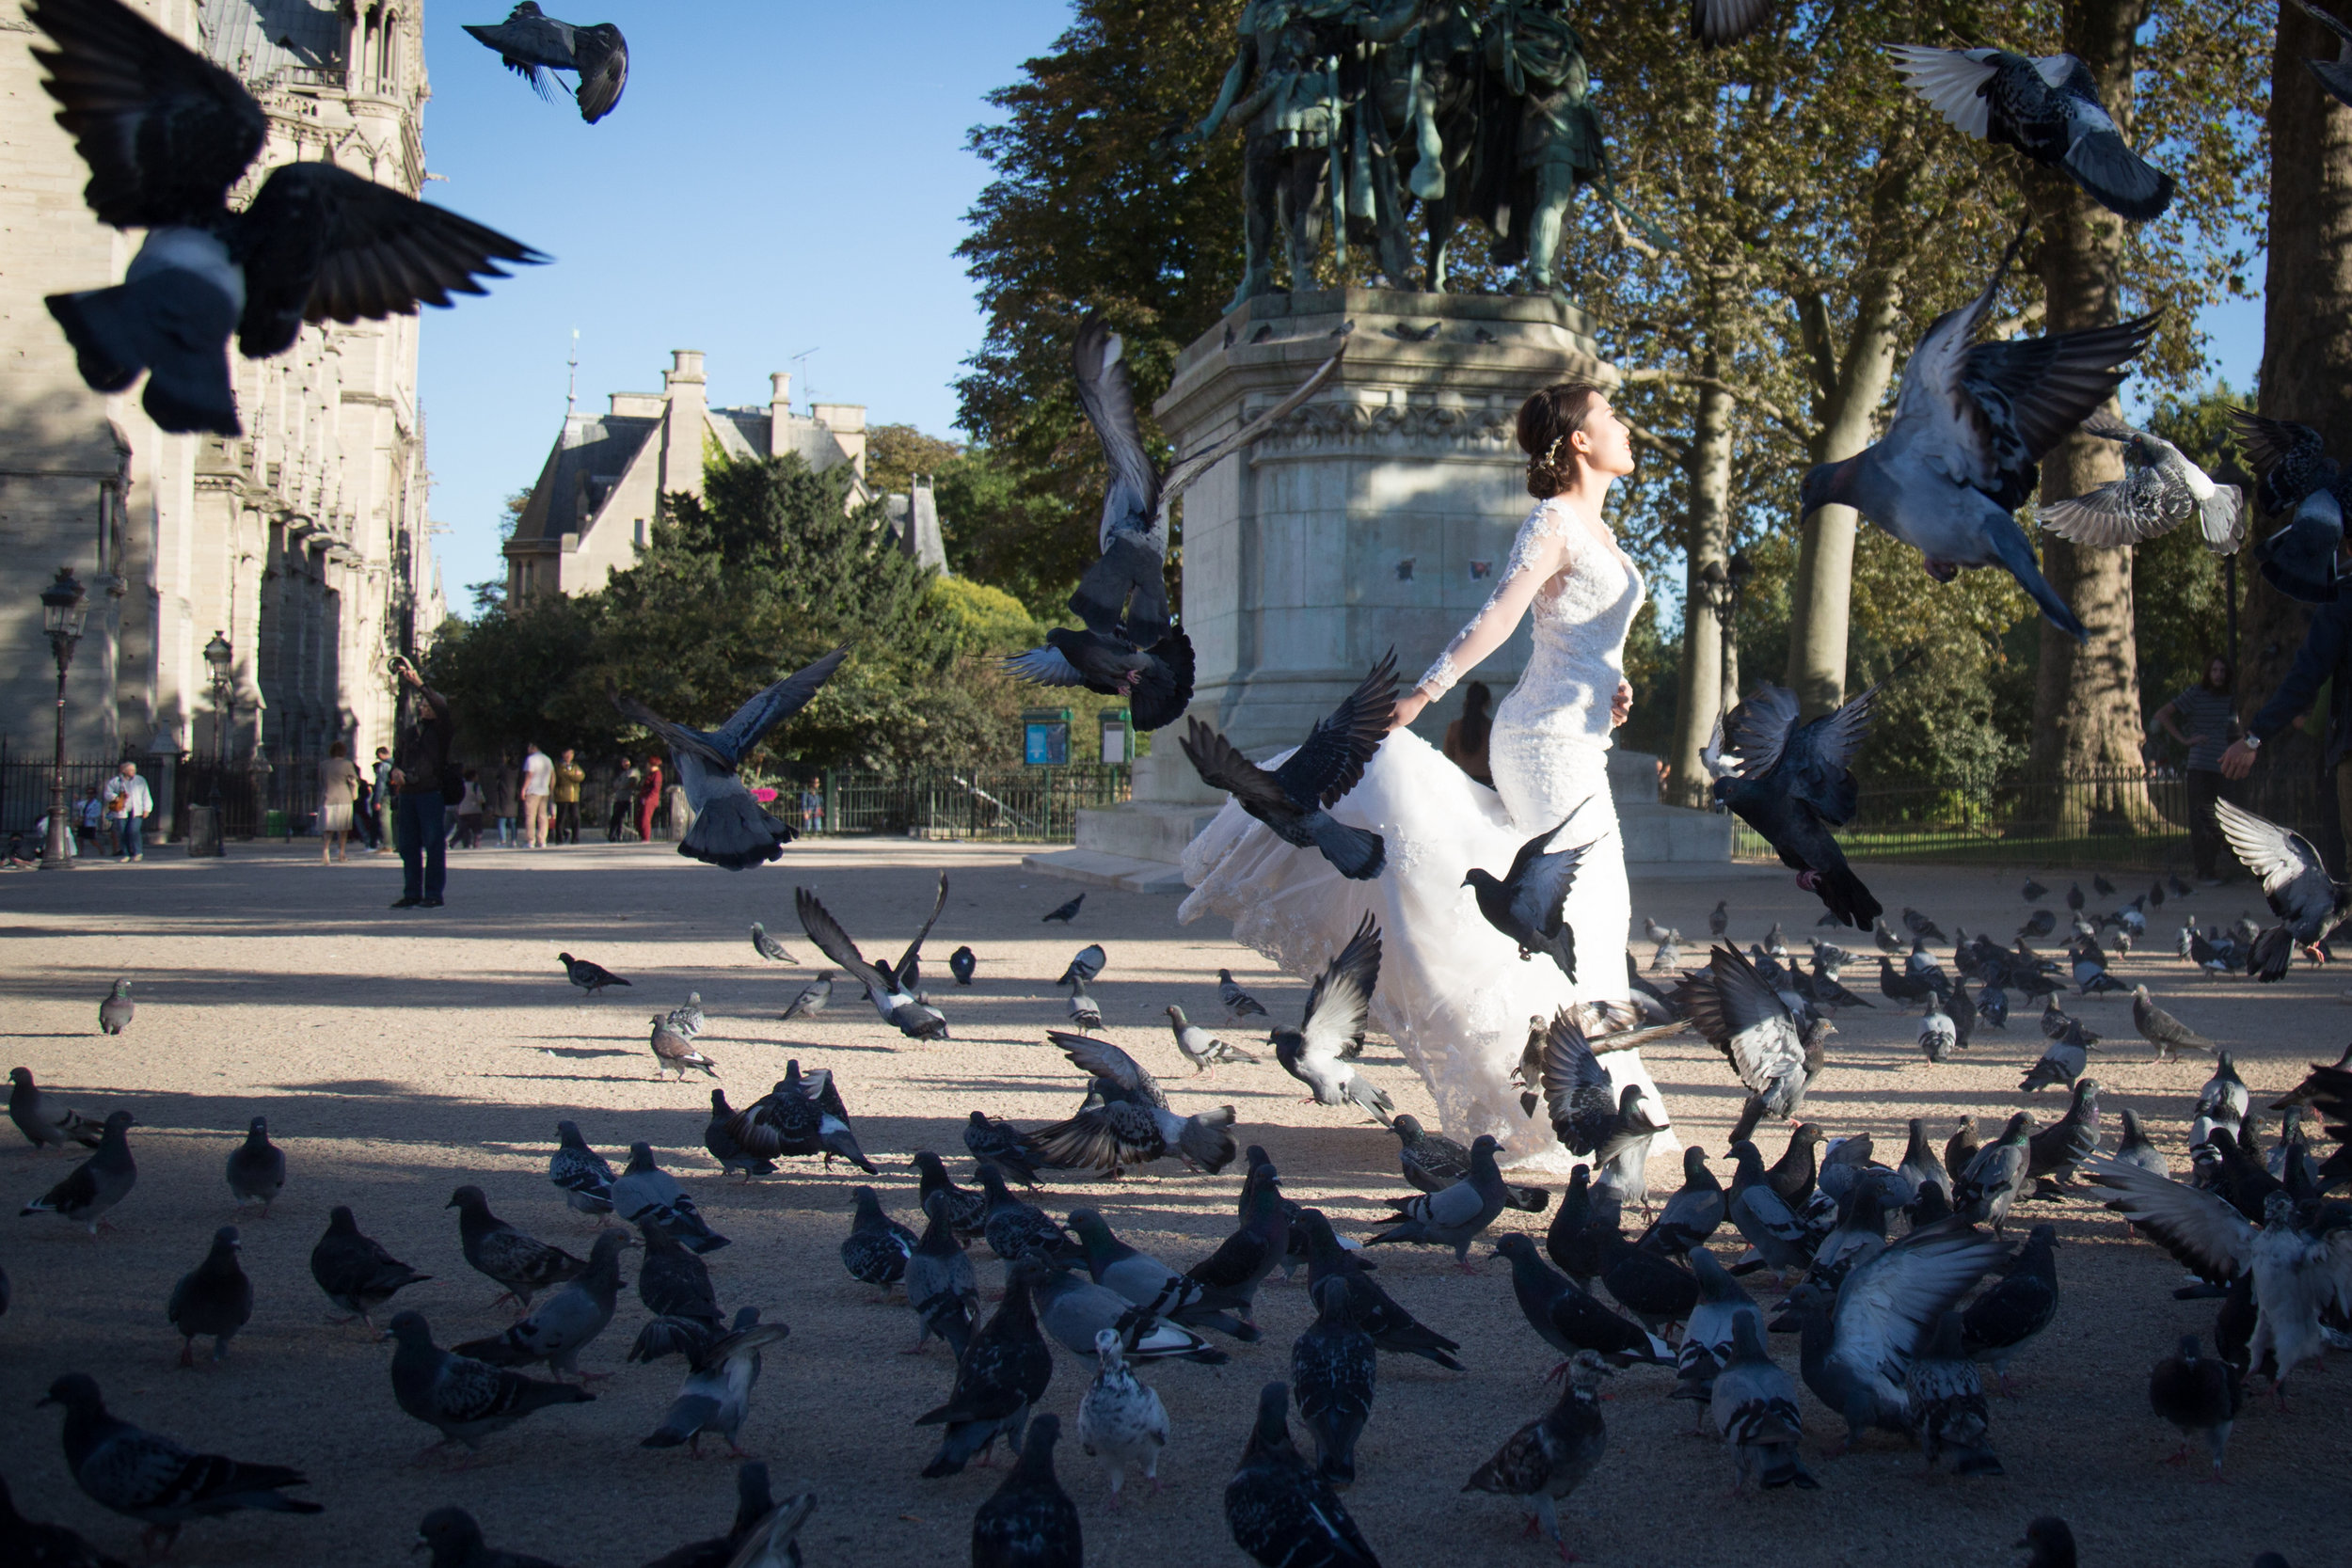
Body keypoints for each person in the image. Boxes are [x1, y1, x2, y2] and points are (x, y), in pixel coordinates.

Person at [1182, 382, 1668, 1166]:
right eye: (1610, 415)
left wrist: (1610, 688)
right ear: (1579, 440)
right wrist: (1426, 691)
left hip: (1576, 733)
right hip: (1542, 739)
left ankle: (1575, 1097)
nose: (1624, 426)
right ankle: (1564, 1107)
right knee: (1583, 911)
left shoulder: (1605, 534)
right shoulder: (1554, 520)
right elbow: (1504, 613)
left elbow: (1577, 638)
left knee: (1591, 912)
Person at [2153, 656, 2241, 884]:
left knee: (2220, 816)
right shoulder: (2196, 694)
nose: (2219, 675)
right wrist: (2185, 740)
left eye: (2222, 671)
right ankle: (2204, 870)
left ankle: (2215, 866)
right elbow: (2163, 714)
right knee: (2201, 817)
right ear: (2208, 673)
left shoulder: (2231, 698)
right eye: (2215, 670)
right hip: (2200, 764)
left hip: (2223, 763)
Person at [387, 656, 455, 908]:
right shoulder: (410, 732)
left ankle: (434, 894)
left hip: (429, 793)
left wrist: (418, 682)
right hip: (408, 793)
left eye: (428, 705)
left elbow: (442, 706)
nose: (425, 708)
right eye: (422, 705)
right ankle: (412, 892)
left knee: (434, 844)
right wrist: (395, 771)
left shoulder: (441, 731)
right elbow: (398, 757)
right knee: (407, 846)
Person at [1442, 680, 1497, 786]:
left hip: (1463, 782)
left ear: (1466, 700)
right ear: (1487, 702)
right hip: (1488, 784)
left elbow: (1447, 758)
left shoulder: (1455, 727)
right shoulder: (1493, 728)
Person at [103, 760, 154, 862]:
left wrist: (147, 808)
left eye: (134, 770)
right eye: (130, 770)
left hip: (136, 810)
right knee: (122, 832)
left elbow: (145, 795)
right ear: (124, 771)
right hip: (121, 811)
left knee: (133, 831)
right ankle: (125, 853)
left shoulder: (140, 780)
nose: (133, 771)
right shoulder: (116, 781)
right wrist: (115, 797)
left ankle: (137, 852)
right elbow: (107, 794)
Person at [318, 741, 360, 864]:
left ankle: (325, 853)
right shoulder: (347, 764)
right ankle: (341, 854)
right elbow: (353, 780)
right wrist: (355, 794)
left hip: (328, 796)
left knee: (328, 828)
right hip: (344, 797)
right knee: (343, 828)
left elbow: (321, 780)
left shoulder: (324, 764)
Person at [519, 742, 552, 847]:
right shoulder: (547, 759)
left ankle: (530, 840)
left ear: (533, 748)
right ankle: (542, 839)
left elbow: (529, 774)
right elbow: (552, 775)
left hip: (533, 790)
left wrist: (524, 789)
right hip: (544, 790)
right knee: (543, 816)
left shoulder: (531, 759)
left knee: (530, 816)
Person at [552, 748, 585, 845]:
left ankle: (575, 838)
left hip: (574, 796)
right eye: (567, 754)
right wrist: (572, 775)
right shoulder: (558, 766)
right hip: (562, 795)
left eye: (571, 754)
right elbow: (562, 777)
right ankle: (559, 838)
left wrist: (571, 775)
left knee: (576, 817)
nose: (569, 756)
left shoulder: (575, 766)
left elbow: (581, 776)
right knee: (561, 818)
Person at [607, 759, 642, 842]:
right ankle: (613, 835)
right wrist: (620, 784)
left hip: (627, 798)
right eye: (623, 762)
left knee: (620, 817)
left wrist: (621, 784)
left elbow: (628, 783)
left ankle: (619, 835)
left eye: (627, 761)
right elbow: (615, 784)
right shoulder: (621, 773)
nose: (625, 764)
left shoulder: (633, 771)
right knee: (615, 817)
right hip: (619, 798)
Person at [452, 768, 485, 849]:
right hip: (475, 811)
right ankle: (476, 843)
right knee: (477, 829)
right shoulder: (475, 786)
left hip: (463, 811)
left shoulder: (461, 785)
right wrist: (484, 806)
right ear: (473, 777)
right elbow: (480, 798)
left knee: (463, 829)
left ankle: (453, 842)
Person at [371, 746, 396, 853]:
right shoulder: (396, 763)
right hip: (396, 794)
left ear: (381, 754)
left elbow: (381, 784)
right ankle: (396, 842)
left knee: (384, 819)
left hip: (386, 795)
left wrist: (377, 800)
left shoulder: (384, 766)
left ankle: (387, 844)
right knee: (394, 820)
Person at [490, 754, 518, 847]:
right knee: (513, 820)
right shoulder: (517, 770)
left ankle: (503, 841)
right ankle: (514, 840)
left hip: (503, 794)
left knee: (502, 819)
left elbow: (495, 776)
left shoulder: (503, 769)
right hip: (514, 796)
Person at [636, 755, 665, 843]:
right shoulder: (651, 774)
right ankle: (642, 836)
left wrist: (648, 799)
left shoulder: (657, 774)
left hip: (650, 799)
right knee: (639, 818)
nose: (647, 765)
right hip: (645, 798)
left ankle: (646, 838)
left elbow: (655, 789)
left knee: (645, 818)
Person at [75, 784, 106, 857]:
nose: (90, 795)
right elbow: (77, 806)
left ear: (94, 794)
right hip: (83, 823)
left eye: (91, 793)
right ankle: (80, 852)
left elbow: (97, 814)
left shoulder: (97, 804)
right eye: (88, 793)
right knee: (80, 838)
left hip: (90, 823)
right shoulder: (84, 802)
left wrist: (87, 816)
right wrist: (76, 799)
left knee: (92, 840)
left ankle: (101, 849)